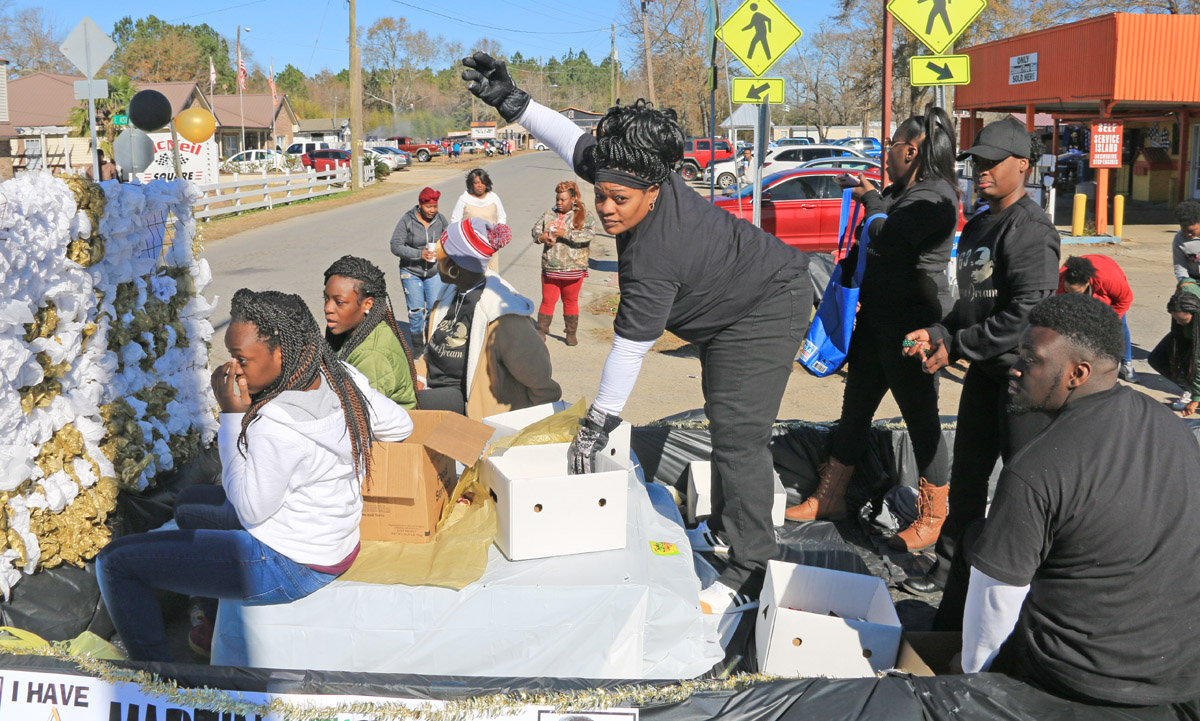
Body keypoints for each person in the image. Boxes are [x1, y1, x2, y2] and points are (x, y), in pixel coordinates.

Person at [463, 51, 811, 616]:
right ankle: (730, 529)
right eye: (599, 194)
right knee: (724, 420)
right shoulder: (631, 168)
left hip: (766, 305)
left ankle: (752, 569)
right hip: (723, 302)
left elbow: (629, 351)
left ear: (654, 191)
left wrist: (595, 425)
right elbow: (569, 141)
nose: (605, 208)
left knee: (738, 435)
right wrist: (514, 102)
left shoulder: (655, 256)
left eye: (617, 200)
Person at [95, 289, 414, 662]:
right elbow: (401, 424)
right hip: (335, 543)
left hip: (290, 565)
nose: (233, 369)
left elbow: (250, 511)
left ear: (281, 354)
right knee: (189, 505)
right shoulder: (340, 376)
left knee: (115, 563)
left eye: (241, 359)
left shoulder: (275, 423)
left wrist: (232, 416)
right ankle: (212, 627)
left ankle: (156, 680)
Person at [959, 293, 1200, 706]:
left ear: (1077, 373)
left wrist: (973, 682)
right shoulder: (1174, 429)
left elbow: (996, 601)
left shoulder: (1035, 469)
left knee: (977, 540)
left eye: (1030, 359)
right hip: (1182, 671)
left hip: (1081, 678)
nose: (1015, 367)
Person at [899, 118, 1060, 613]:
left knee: (1022, 491)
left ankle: (1031, 590)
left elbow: (1027, 315)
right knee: (968, 481)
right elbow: (971, 305)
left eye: (992, 162)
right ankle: (950, 573)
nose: (981, 170)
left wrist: (959, 346)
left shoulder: (1030, 230)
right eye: (977, 161)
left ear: (1023, 166)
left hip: (1026, 384)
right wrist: (940, 333)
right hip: (985, 377)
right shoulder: (977, 225)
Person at [785, 107, 960, 555]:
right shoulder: (902, 192)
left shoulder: (935, 197)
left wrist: (872, 203)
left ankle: (933, 517)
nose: (886, 154)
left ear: (911, 151)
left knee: (921, 420)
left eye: (891, 146)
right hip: (876, 320)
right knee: (855, 410)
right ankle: (830, 496)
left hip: (912, 327)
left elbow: (889, 239)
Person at [417, 218, 562, 419]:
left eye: (441, 256)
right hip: (437, 391)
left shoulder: (502, 317)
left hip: (472, 409)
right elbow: (430, 352)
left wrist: (534, 425)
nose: (435, 260)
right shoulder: (448, 297)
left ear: (454, 264)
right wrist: (418, 376)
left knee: (397, 407)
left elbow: (540, 381)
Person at [323, 255, 419, 408]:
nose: (328, 308)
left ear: (367, 304)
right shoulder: (357, 332)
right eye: (326, 299)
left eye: (339, 302)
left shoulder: (372, 356)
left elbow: (361, 414)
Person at [531, 180, 596, 346]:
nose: (559, 203)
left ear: (573, 199)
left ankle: (571, 333)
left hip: (574, 268)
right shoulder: (549, 214)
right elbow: (535, 231)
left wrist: (565, 234)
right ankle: (541, 331)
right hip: (551, 267)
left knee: (570, 301)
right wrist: (542, 237)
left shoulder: (584, 214)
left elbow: (589, 235)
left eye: (563, 199)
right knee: (548, 300)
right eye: (557, 199)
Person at [1055, 254, 1136, 381]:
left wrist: (1109, 322)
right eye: (1067, 290)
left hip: (1108, 283)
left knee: (1120, 324)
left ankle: (1127, 363)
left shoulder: (1109, 279)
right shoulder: (1059, 279)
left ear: (1087, 283)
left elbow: (1124, 300)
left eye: (1076, 292)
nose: (1072, 296)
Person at [391, 187, 450, 341]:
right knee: (416, 311)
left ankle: (430, 342)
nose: (432, 210)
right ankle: (417, 346)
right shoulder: (408, 220)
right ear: (420, 205)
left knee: (433, 309)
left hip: (434, 271)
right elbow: (395, 246)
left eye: (435, 206)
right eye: (428, 206)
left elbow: (449, 240)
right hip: (410, 271)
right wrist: (419, 254)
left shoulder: (440, 220)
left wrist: (443, 251)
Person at [1147, 279, 1200, 415]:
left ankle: (1196, 393)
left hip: (1196, 337)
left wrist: (1196, 399)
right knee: (1157, 359)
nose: (1178, 322)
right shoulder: (1186, 292)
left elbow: (1198, 362)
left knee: (1193, 366)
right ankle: (1190, 389)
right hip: (1185, 335)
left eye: (1182, 320)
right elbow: (1186, 282)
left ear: (1194, 313)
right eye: (1175, 319)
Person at [1172, 198, 1200, 284]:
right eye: (1184, 231)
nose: (1188, 234)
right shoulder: (1179, 239)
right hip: (1194, 280)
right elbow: (1179, 266)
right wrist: (1185, 283)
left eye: (1191, 231)